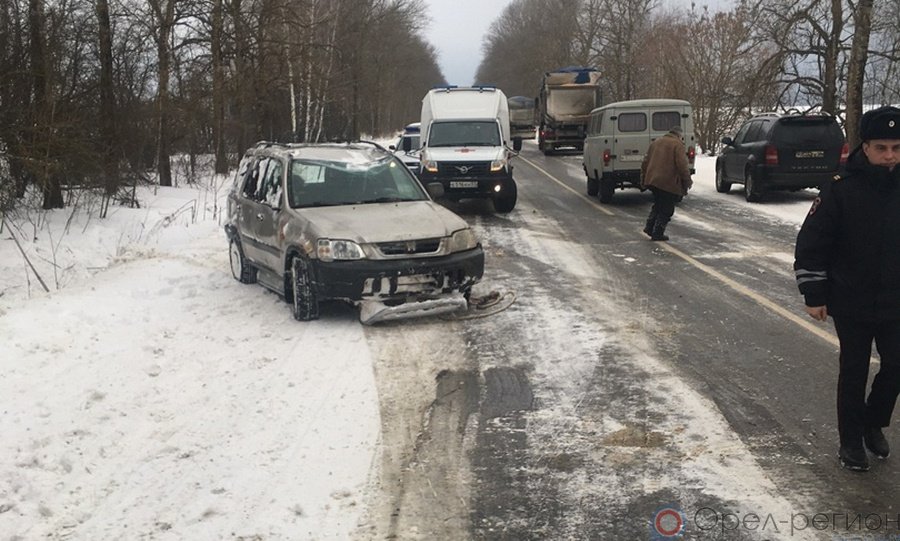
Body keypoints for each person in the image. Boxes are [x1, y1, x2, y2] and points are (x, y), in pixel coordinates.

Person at [794, 105, 900, 472]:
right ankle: (851, 440)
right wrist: (814, 294)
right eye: (882, 148)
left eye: (897, 148)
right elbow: (812, 242)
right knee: (853, 369)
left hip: (895, 301)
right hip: (852, 297)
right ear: (865, 148)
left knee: (896, 366)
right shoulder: (841, 188)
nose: (890, 156)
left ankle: (873, 422)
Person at [640, 125, 693, 241]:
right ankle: (658, 232)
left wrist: (643, 178)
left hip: (653, 180)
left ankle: (649, 227)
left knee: (658, 204)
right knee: (667, 209)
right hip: (668, 182)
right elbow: (682, 166)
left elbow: (645, 162)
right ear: (679, 135)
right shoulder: (677, 145)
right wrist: (687, 181)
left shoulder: (656, 142)